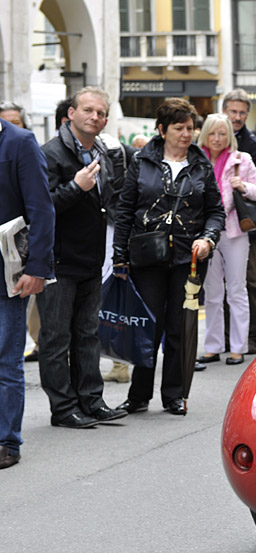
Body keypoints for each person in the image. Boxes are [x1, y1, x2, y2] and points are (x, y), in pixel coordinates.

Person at [112, 97, 225, 416]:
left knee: (179, 326)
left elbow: (216, 211)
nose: (187, 134)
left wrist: (208, 238)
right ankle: (138, 395)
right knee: (147, 326)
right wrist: (119, 257)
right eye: (179, 128)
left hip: (188, 258)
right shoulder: (142, 160)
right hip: (146, 256)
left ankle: (174, 394)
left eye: (190, 128)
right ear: (162, 129)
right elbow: (125, 210)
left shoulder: (201, 163)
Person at [37, 87, 125, 429]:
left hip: (91, 258)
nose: (95, 116)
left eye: (101, 112)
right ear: (70, 113)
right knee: (56, 336)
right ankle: (63, 407)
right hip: (58, 260)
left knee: (88, 333)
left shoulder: (103, 150)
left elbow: (111, 203)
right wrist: (75, 187)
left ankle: (91, 400)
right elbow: (42, 210)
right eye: (88, 110)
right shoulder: (50, 153)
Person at [0, 107, 56, 468]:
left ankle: (7, 441)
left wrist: (37, 267)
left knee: (5, 360)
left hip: (7, 274)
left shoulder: (19, 142)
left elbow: (42, 209)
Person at [196, 114, 256, 366]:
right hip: (205, 234)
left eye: (223, 133)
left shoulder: (242, 160)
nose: (217, 139)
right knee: (212, 292)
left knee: (237, 290)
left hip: (235, 232)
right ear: (205, 134)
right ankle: (213, 346)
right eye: (213, 133)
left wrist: (243, 186)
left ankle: (238, 347)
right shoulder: (196, 159)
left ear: (230, 135)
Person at [222, 88, 256, 355]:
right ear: (224, 110)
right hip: (216, 224)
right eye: (233, 111)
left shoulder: (253, 146)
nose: (237, 117)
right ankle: (226, 336)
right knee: (219, 284)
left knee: (248, 280)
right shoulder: (209, 139)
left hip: (244, 221)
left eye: (242, 113)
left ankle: (251, 335)